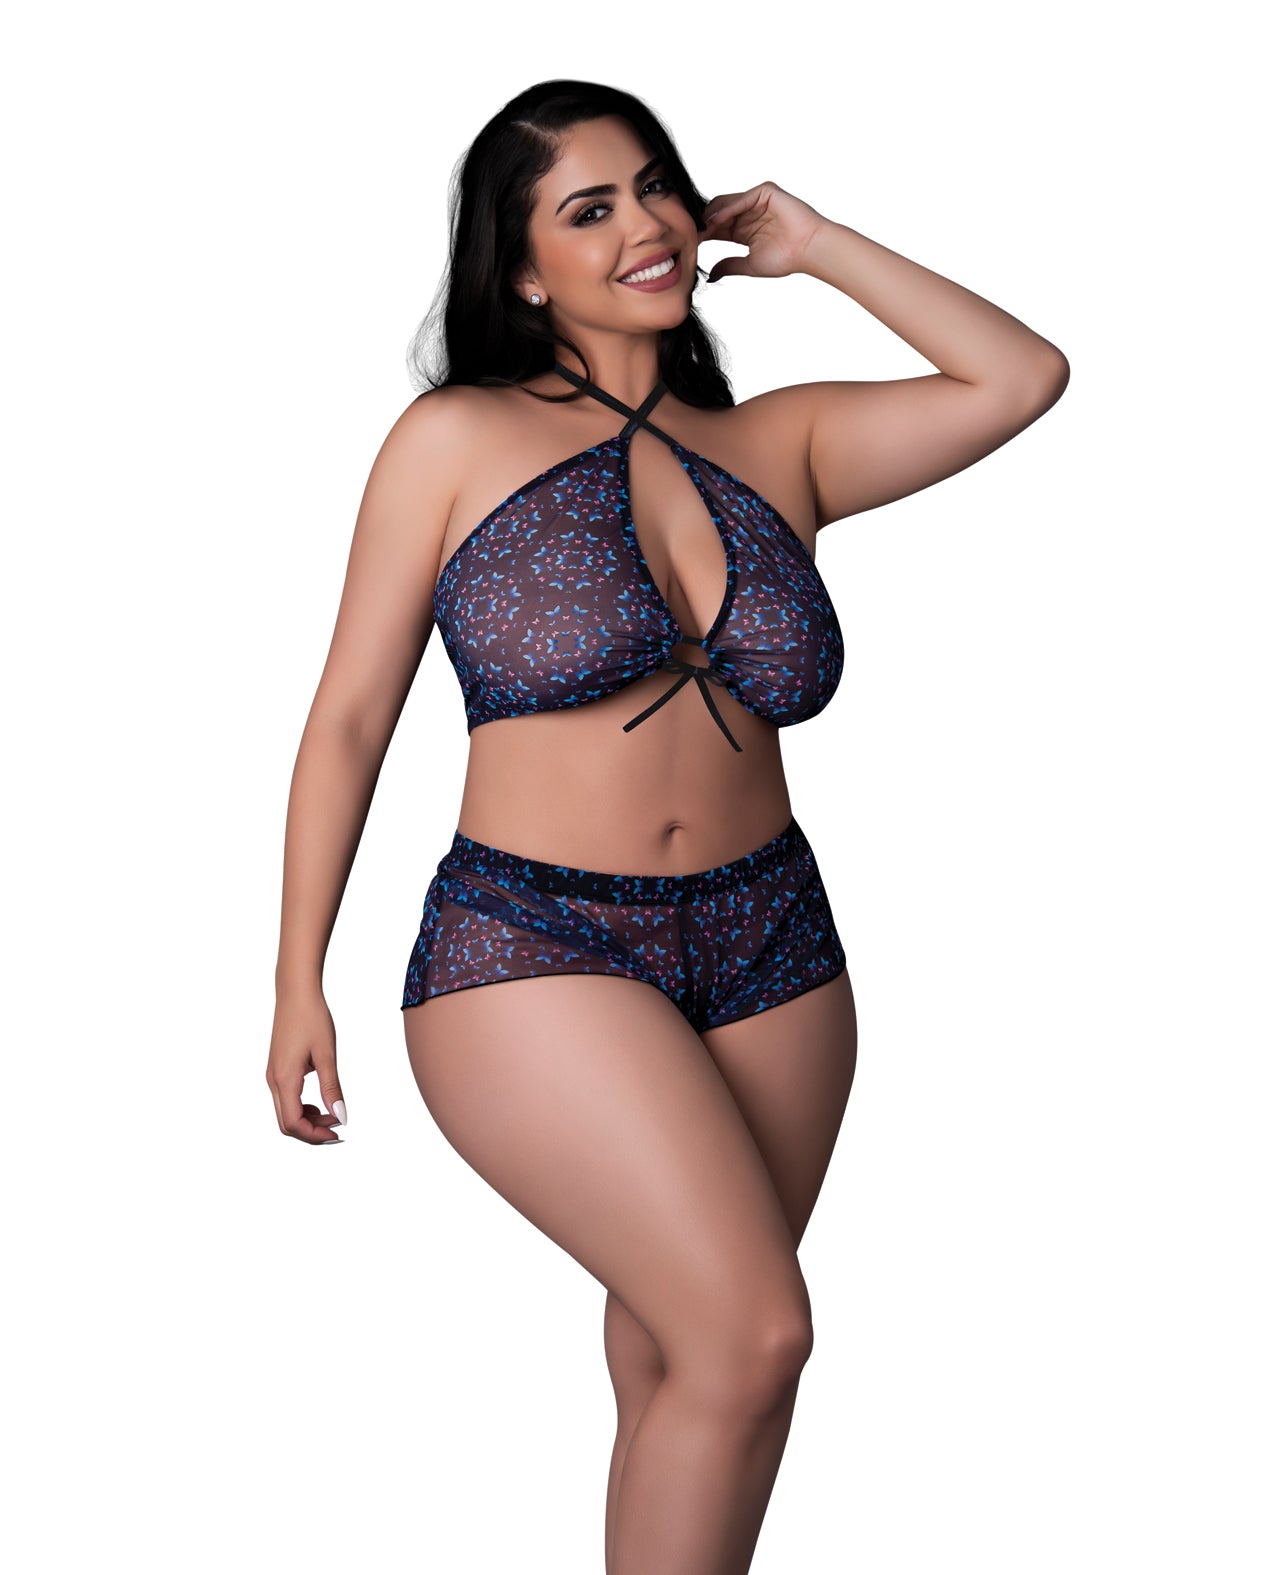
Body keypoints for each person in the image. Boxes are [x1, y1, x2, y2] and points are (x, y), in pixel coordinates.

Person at [266, 78, 1068, 1575]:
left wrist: (820, 245)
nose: (644, 224)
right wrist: (297, 972)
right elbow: (352, 718)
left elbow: (1021, 377)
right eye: (590, 209)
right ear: (521, 272)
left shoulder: (783, 443)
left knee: (677, 1356)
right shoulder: (453, 438)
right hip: (532, 942)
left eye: (656, 187)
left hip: (775, 944)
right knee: (753, 1333)